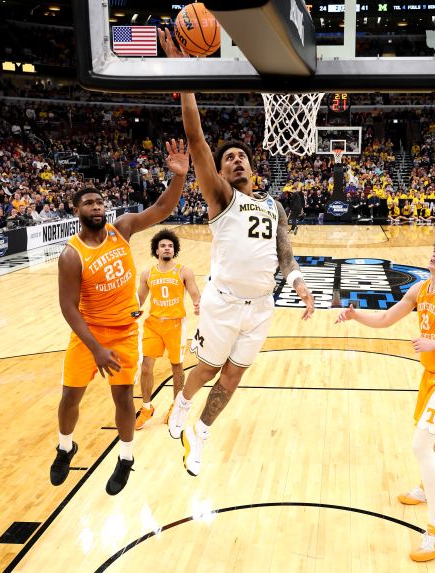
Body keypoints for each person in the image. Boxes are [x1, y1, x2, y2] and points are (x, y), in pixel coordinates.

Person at [158, 28, 316, 477]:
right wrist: (185, 80)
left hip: (262, 305)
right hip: (223, 301)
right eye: (228, 158)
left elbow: (285, 254)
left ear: (253, 165)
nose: (235, 160)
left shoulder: (272, 205)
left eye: (241, 156)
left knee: (232, 378)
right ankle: (182, 404)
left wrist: (301, 286)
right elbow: (197, 140)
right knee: (207, 370)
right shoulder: (221, 198)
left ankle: (200, 432)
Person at [336, 238, 435, 562]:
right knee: (429, 439)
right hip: (430, 376)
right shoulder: (420, 289)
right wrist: (355, 316)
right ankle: (425, 487)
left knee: (420, 444)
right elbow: (385, 319)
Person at [49, 139, 188, 495]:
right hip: (88, 334)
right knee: (69, 398)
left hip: (125, 331)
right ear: (76, 209)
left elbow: (161, 208)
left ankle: (125, 458)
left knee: (123, 398)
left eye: (99, 202)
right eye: (89, 203)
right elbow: (68, 308)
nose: (97, 207)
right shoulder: (71, 255)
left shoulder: (121, 229)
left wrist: (179, 177)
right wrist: (95, 348)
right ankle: (66, 447)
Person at [134, 229, 201, 431]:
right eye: (163, 245)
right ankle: (147, 407)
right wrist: (129, 312)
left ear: (174, 250)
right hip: (153, 324)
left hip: (175, 325)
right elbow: (139, 300)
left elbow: (195, 293)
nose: (167, 248)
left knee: (177, 367)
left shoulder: (183, 271)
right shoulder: (148, 273)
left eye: (170, 246)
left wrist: (198, 304)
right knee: (146, 367)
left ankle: (175, 407)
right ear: (156, 249)